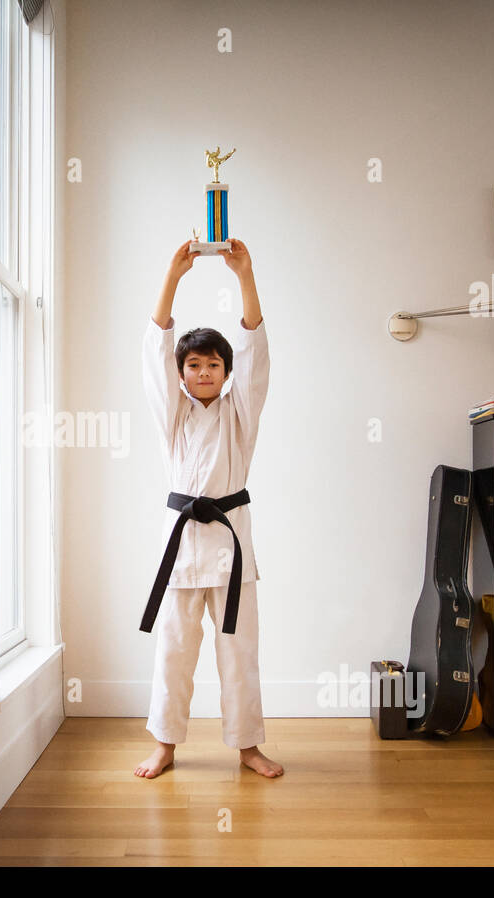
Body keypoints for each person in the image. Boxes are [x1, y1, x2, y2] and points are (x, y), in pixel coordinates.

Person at [135, 237, 283, 779]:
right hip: (180, 547)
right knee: (173, 653)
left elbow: (255, 355)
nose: (202, 372)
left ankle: (247, 747)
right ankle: (165, 746)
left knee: (239, 652)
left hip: (230, 544)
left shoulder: (239, 414)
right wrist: (173, 276)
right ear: (182, 375)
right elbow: (156, 352)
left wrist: (244, 275)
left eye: (213, 364)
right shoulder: (171, 418)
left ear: (225, 374)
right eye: (193, 365)